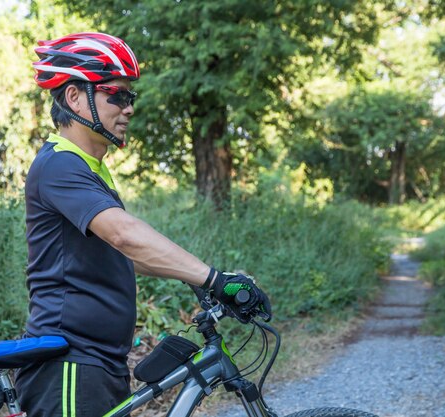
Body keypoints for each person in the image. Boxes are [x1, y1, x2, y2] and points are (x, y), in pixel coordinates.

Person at [15, 32, 271, 417]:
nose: (128, 107)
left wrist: (199, 280)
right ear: (73, 97)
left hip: (98, 363)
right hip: (68, 363)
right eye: (115, 95)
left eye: (129, 97)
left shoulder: (89, 169)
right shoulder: (59, 165)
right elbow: (124, 235)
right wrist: (212, 278)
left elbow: (121, 253)